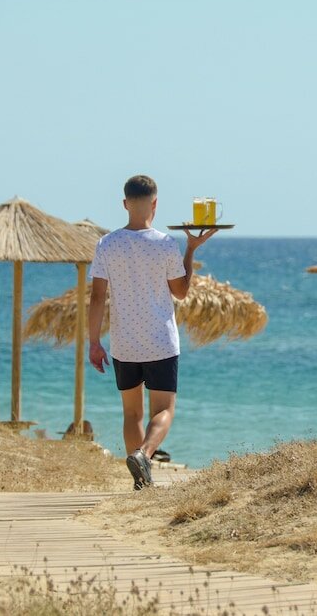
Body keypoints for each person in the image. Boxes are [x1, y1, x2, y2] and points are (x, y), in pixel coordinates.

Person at [88, 175, 216, 489]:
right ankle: (145, 454)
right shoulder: (165, 244)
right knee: (164, 410)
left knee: (132, 413)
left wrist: (94, 342)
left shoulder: (107, 244)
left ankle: (141, 478)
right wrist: (191, 249)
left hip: (124, 343)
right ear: (155, 204)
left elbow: (96, 297)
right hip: (160, 342)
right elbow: (182, 292)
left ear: (124, 204)